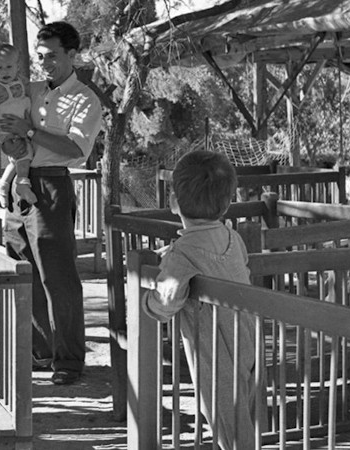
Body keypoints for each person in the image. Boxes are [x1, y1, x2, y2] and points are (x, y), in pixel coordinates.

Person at [0, 21, 102, 385]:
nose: (45, 63)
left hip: (53, 186)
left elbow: (75, 148)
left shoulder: (86, 100)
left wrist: (29, 131)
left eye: (53, 56)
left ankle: (69, 360)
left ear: (72, 55)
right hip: (19, 182)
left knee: (57, 279)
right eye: (40, 57)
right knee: (21, 270)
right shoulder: (33, 89)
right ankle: (39, 353)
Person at [143, 150, 256, 450]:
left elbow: (168, 300)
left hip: (212, 344)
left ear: (174, 202)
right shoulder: (234, 238)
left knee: (220, 412)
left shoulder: (183, 252)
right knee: (242, 409)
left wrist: (147, 303)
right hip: (246, 332)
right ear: (228, 201)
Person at [0, 44, 36, 207]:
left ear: (17, 65)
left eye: (9, 67)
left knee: (18, 159)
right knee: (24, 153)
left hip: (23, 127)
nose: (5, 71)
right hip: (7, 130)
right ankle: (22, 184)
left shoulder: (23, 82)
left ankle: (3, 185)